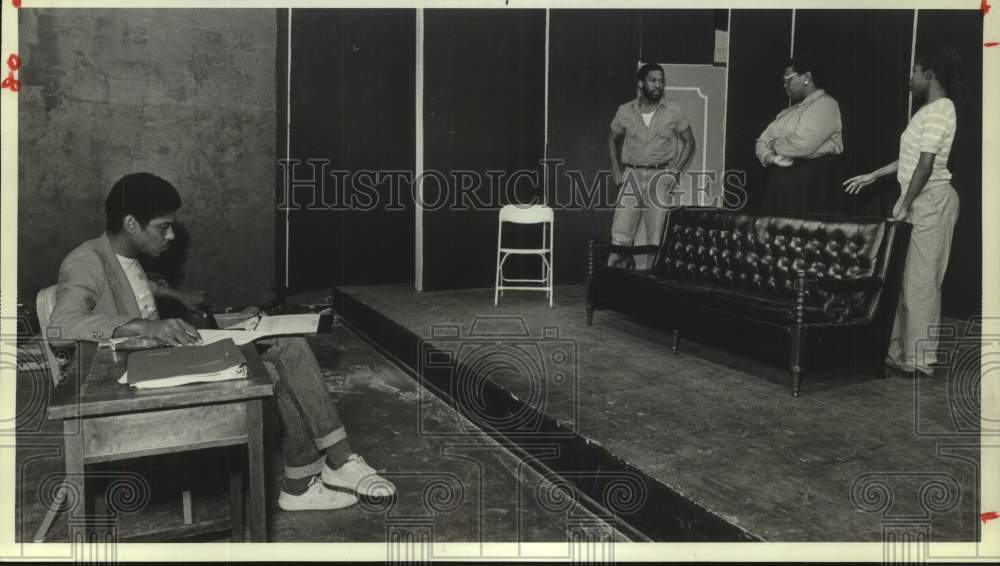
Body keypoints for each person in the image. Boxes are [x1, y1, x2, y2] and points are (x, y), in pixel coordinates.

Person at [48, 172, 396, 511]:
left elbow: (137, 285)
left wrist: (178, 295)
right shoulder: (85, 262)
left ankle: (321, 471)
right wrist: (142, 327)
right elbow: (60, 326)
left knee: (286, 341)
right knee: (280, 366)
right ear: (131, 224)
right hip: (130, 381)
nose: (170, 235)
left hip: (156, 358)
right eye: (163, 227)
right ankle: (319, 472)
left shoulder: (120, 256)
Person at [843, 47, 962, 378]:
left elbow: (926, 166)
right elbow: (912, 160)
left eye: (914, 71)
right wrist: (875, 175)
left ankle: (919, 359)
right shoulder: (926, 112)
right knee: (906, 281)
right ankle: (899, 354)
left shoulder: (941, 109)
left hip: (931, 200)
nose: (909, 78)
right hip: (919, 198)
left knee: (921, 282)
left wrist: (905, 204)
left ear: (930, 74)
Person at [607, 62, 696, 270]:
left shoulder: (674, 111)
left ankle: (650, 287)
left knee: (655, 237)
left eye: (661, 81)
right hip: (631, 176)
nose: (658, 85)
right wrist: (615, 168)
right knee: (621, 233)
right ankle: (613, 283)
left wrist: (675, 171)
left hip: (660, 176)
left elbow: (690, 141)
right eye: (653, 81)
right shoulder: (625, 111)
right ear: (641, 83)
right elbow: (612, 138)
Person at [755, 53, 844, 215]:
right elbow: (760, 142)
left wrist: (773, 143)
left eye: (788, 79)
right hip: (783, 188)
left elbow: (801, 145)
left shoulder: (826, 105)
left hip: (812, 187)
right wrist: (772, 158)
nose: (785, 85)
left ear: (807, 77)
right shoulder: (786, 113)